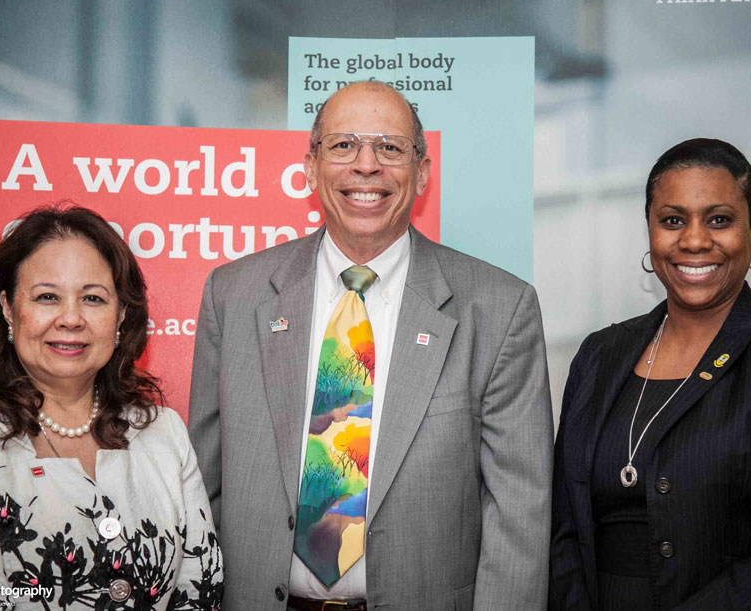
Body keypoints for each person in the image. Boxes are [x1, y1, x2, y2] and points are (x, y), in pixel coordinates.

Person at [189, 81, 553, 610]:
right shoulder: (234, 296)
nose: (366, 165)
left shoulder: (499, 309)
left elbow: (518, 513)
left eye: (390, 147)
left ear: (422, 172)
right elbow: (202, 492)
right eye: (343, 145)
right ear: (311, 167)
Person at [548, 138, 751, 610]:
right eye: (673, 220)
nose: (694, 240)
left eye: (719, 220)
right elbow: (562, 527)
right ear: (650, 229)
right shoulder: (599, 355)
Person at [0, 206, 223, 610]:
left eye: (93, 298)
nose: (71, 318)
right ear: (8, 309)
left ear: (121, 314)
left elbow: (201, 591)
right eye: (47, 297)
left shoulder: (164, 433)